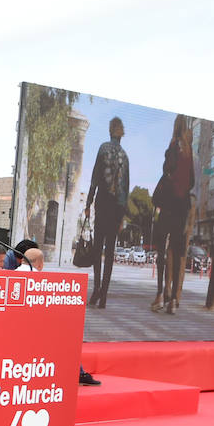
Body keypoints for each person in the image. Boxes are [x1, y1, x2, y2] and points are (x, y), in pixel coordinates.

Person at [150, 114, 195, 314]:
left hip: (168, 207)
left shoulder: (173, 144)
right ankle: (174, 301)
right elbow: (192, 181)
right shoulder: (189, 151)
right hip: (182, 208)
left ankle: (160, 294)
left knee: (162, 252)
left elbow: (166, 168)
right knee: (177, 254)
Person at [84, 116, 129, 310]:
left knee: (98, 248)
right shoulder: (125, 156)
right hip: (116, 208)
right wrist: (122, 215)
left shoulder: (103, 149)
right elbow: (125, 188)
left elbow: (95, 178)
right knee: (110, 252)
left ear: (110, 130)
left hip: (102, 203)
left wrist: (88, 203)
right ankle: (104, 296)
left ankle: (96, 289)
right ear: (122, 133)